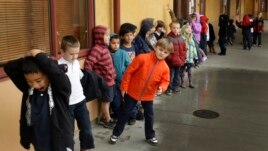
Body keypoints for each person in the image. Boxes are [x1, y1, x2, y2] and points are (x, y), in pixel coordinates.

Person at [4, 49, 74, 151]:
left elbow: (56, 74)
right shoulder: (29, 90)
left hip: (60, 143)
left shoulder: (59, 89)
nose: (35, 85)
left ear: (49, 74)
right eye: (29, 81)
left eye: (38, 80)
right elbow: (9, 67)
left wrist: (39, 56)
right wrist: (29, 58)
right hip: (39, 143)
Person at [109, 38, 173, 146]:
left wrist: (162, 88)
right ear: (155, 47)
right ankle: (115, 133)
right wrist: (124, 87)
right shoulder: (142, 58)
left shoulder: (165, 68)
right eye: (161, 49)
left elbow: (165, 81)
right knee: (125, 113)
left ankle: (150, 136)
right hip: (133, 92)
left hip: (148, 95)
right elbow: (129, 72)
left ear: (168, 54)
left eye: (165, 52)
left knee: (149, 116)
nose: (162, 53)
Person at [58, 35, 95, 151]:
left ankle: (84, 148)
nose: (75, 57)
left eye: (77, 53)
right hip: (67, 105)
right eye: (71, 54)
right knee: (68, 134)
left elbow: (79, 77)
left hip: (80, 102)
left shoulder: (76, 63)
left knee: (87, 129)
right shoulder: (58, 66)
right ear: (62, 51)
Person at [84, 25, 116, 128]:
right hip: (104, 81)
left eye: (108, 35)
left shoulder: (104, 48)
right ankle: (107, 120)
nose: (108, 37)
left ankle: (105, 116)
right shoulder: (97, 49)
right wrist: (91, 77)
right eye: (106, 35)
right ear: (99, 36)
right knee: (106, 101)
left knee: (108, 99)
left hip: (110, 80)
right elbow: (89, 62)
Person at [109, 33, 131, 122]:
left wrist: (125, 73)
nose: (116, 45)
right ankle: (118, 115)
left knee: (127, 100)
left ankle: (132, 116)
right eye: (113, 43)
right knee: (116, 101)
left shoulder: (123, 53)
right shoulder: (107, 53)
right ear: (109, 43)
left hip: (123, 81)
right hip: (112, 82)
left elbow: (129, 65)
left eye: (117, 43)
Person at [165, 21, 187, 95]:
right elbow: (166, 50)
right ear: (170, 28)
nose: (176, 29)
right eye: (174, 28)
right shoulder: (168, 38)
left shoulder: (181, 38)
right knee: (170, 76)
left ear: (180, 29)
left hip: (179, 61)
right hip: (171, 62)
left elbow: (184, 49)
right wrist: (170, 58)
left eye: (177, 28)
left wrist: (183, 58)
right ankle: (169, 88)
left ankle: (176, 87)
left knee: (177, 75)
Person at [181, 24, 199, 88]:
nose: (189, 29)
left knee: (190, 71)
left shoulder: (192, 38)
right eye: (187, 28)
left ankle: (190, 82)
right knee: (182, 70)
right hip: (184, 58)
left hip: (190, 58)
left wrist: (196, 57)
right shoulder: (182, 38)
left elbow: (194, 48)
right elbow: (182, 47)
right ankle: (182, 82)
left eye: (190, 28)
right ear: (183, 29)